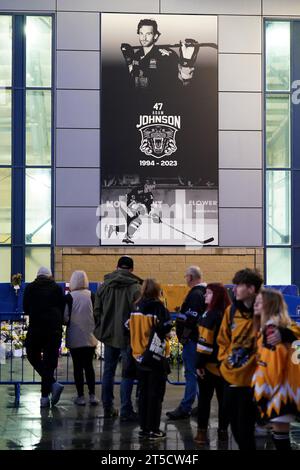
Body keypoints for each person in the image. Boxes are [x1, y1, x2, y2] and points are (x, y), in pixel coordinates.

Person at [217, 268, 263, 450]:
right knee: (235, 428)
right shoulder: (231, 311)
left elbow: (290, 329)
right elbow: (223, 339)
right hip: (231, 378)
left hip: (254, 382)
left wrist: (281, 332)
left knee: (246, 430)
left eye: (238, 286)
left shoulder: (266, 308)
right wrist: (225, 361)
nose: (234, 289)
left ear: (251, 289)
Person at [94, 256, 142, 420]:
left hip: (108, 336)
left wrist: (101, 328)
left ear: (116, 267)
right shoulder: (135, 288)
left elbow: (97, 311)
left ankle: (108, 407)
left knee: (108, 372)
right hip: (128, 337)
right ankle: (126, 409)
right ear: (132, 269)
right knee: (127, 374)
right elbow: (139, 315)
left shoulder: (104, 286)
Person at [252, 289, 300, 450]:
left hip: (279, 391)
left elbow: (271, 366)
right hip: (286, 389)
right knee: (279, 434)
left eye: (259, 302)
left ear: (269, 305)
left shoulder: (271, 329)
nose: (255, 305)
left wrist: (263, 394)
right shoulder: (282, 325)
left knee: (280, 437)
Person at [129, 279, 172, 440]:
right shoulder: (158, 307)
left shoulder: (135, 307)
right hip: (155, 357)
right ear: (157, 291)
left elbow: (126, 326)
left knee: (143, 393)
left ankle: (144, 428)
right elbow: (165, 327)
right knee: (156, 394)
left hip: (138, 356)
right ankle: (154, 429)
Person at [166, 266, 206, 420]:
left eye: (186, 276)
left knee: (191, 374)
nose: (185, 279)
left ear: (190, 277)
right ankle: (202, 404)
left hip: (192, 340)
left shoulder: (195, 294)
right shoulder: (203, 293)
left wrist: (183, 338)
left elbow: (191, 319)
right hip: (199, 340)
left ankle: (185, 407)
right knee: (198, 374)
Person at [195, 283, 231, 445]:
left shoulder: (209, 315)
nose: (205, 296)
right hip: (226, 366)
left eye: (208, 293)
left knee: (204, 400)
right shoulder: (229, 313)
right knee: (224, 401)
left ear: (215, 296)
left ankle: (201, 433)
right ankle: (223, 432)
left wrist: (199, 365)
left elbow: (204, 344)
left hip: (209, 366)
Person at [23, 267, 65, 408]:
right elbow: (62, 306)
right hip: (54, 330)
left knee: (32, 355)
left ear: (37, 276)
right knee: (49, 363)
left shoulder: (30, 288)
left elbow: (26, 308)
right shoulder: (57, 288)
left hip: (36, 329)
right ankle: (45, 395)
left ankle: (47, 394)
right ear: (50, 276)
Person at [121, 18, 199, 90]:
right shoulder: (136, 55)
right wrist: (129, 63)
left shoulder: (166, 55)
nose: (144, 38)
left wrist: (186, 63)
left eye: (148, 34)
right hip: (141, 102)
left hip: (161, 101)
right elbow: (134, 84)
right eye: (141, 33)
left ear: (155, 36)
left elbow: (183, 83)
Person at [64, 271, 99, 406]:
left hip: (74, 337)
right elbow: (96, 315)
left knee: (77, 367)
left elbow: (65, 318)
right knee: (89, 366)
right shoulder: (92, 295)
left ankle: (80, 396)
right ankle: (92, 395)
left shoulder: (69, 297)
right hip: (90, 337)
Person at [105, 180, 156, 245]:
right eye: (151, 186)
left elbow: (149, 207)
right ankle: (126, 237)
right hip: (124, 204)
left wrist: (153, 215)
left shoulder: (150, 196)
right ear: (146, 185)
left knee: (131, 226)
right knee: (137, 222)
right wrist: (137, 208)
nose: (153, 188)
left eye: (153, 186)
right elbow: (129, 203)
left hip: (133, 208)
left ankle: (113, 228)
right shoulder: (137, 190)